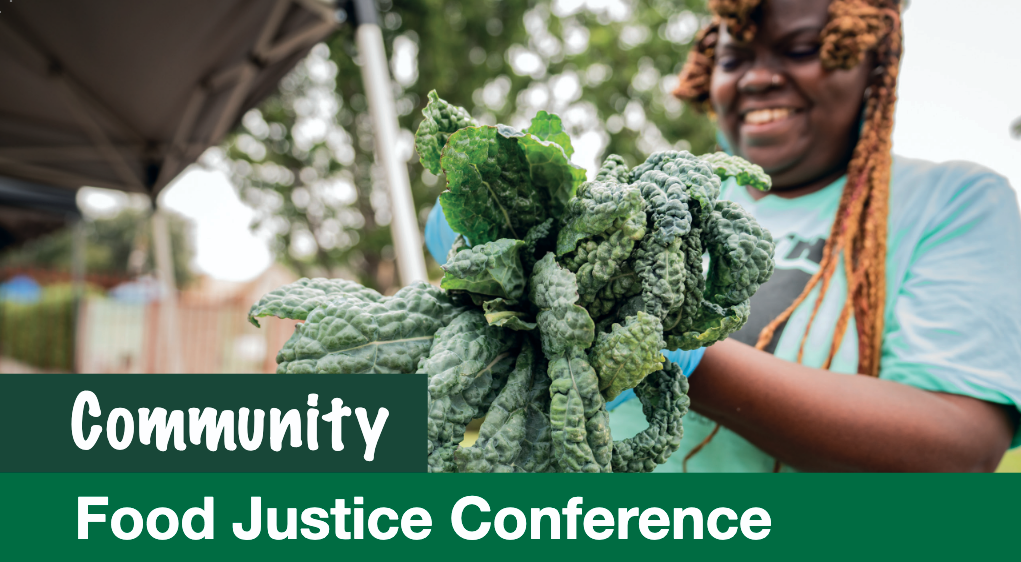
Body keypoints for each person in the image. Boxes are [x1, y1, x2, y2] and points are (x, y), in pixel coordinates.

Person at [425, 0, 1021, 472]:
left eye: (801, 50)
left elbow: (957, 449)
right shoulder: (645, 206)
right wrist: (497, 230)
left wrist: (686, 355)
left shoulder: (953, 202)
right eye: (736, 59)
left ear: (870, 61)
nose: (760, 77)